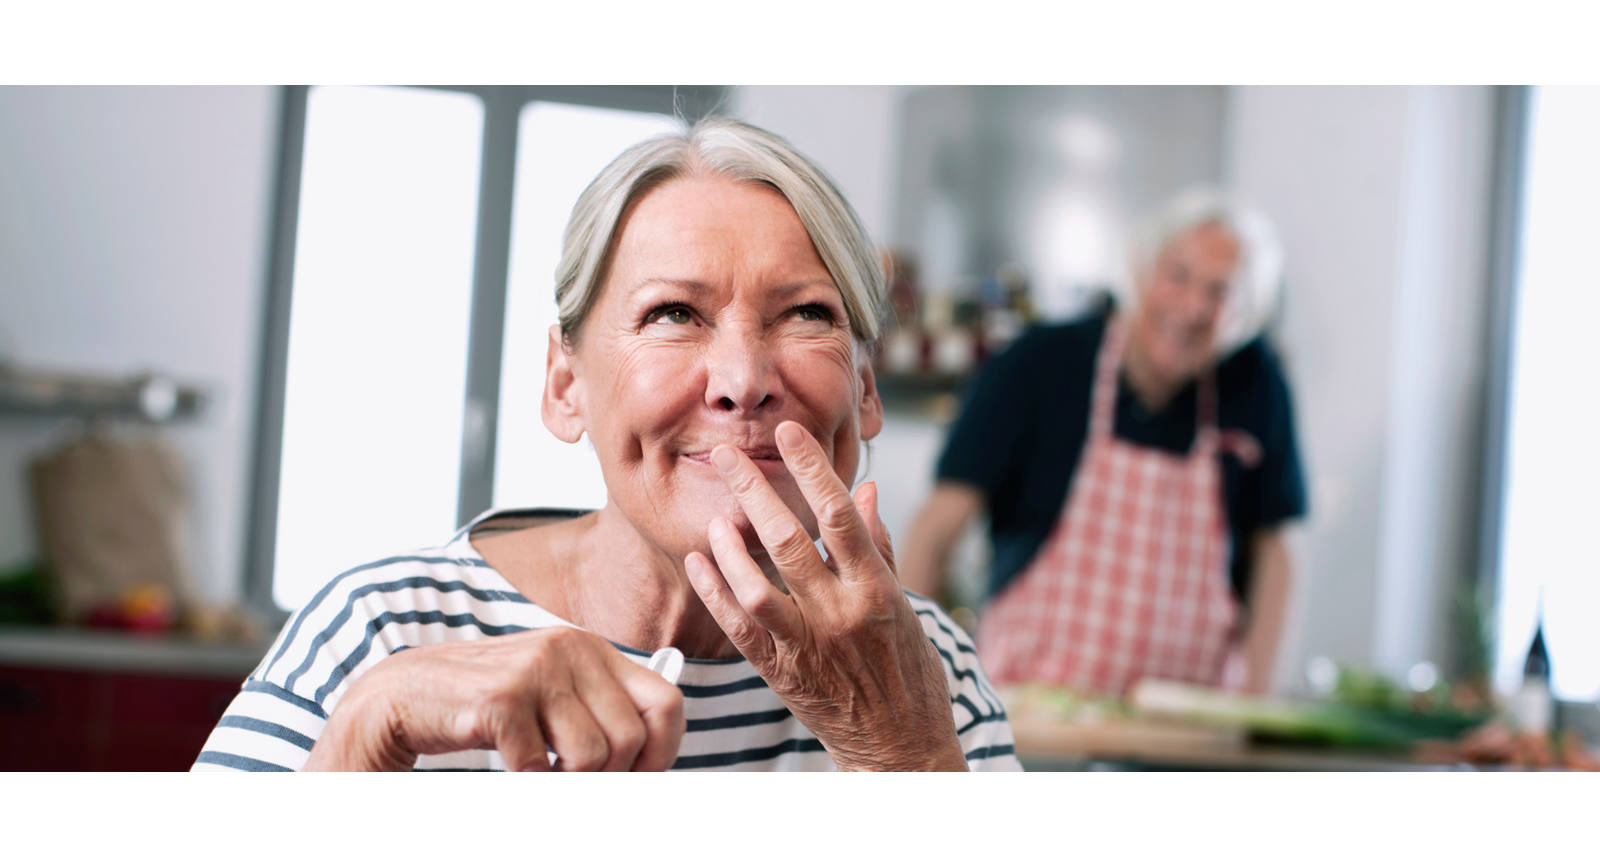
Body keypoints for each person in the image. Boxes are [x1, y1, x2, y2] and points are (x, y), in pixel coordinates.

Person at [192, 118, 1019, 772]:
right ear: (565, 385)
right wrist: (361, 739)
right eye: (673, 314)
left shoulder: (920, 664)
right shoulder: (381, 633)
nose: (743, 378)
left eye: (806, 314)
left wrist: (902, 756)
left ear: (865, 392)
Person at [900, 189, 1307, 698]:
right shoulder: (1038, 363)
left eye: (1220, 292)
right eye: (1178, 276)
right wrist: (918, 691)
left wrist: (1257, 700)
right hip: (1030, 722)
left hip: (1191, 732)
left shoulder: (1256, 383)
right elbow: (936, 529)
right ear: (1140, 270)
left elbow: (1276, 553)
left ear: (1245, 316)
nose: (1192, 308)